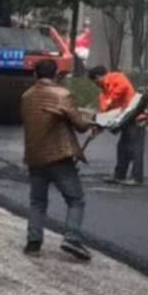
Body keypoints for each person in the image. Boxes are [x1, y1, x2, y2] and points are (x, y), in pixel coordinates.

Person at [20, 57, 98, 261]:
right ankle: (72, 238)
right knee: (76, 200)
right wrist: (92, 120)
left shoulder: (26, 96)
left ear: (35, 74)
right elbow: (80, 126)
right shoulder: (62, 94)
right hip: (59, 156)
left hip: (34, 157)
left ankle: (33, 243)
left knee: (37, 202)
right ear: (56, 74)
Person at [88, 63, 145, 184]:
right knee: (122, 148)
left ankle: (136, 178)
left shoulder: (117, 78)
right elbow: (105, 112)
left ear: (98, 77)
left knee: (135, 149)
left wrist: (109, 101)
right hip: (125, 121)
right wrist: (98, 125)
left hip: (135, 118)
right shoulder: (103, 93)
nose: (96, 85)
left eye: (95, 82)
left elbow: (122, 88)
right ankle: (120, 175)